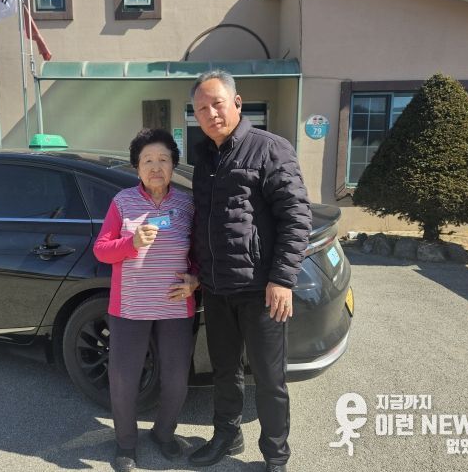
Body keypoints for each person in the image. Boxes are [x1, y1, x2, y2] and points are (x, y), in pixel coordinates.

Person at [187, 71, 312, 472]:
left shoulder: (269, 148)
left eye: (217, 103)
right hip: (217, 289)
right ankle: (227, 435)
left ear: (237, 103)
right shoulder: (204, 157)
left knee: (269, 379)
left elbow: (296, 217)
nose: (210, 113)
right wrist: (199, 273)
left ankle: (276, 456)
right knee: (225, 372)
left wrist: (282, 279)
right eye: (201, 108)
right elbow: (204, 222)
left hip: (261, 291)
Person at [93, 128, 199, 472]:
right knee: (124, 379)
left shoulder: (186, 204)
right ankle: (126, 444)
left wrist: (196, 279)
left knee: (176, 379)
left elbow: (200, 253)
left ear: (173, 165)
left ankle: (163, 434)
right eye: (148, 160)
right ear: (137, 167)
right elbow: (101, 250)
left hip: (175, 306)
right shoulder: (122, 202)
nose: (156, 167)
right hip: (129, 307)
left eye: (163, 159)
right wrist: (131, 243)